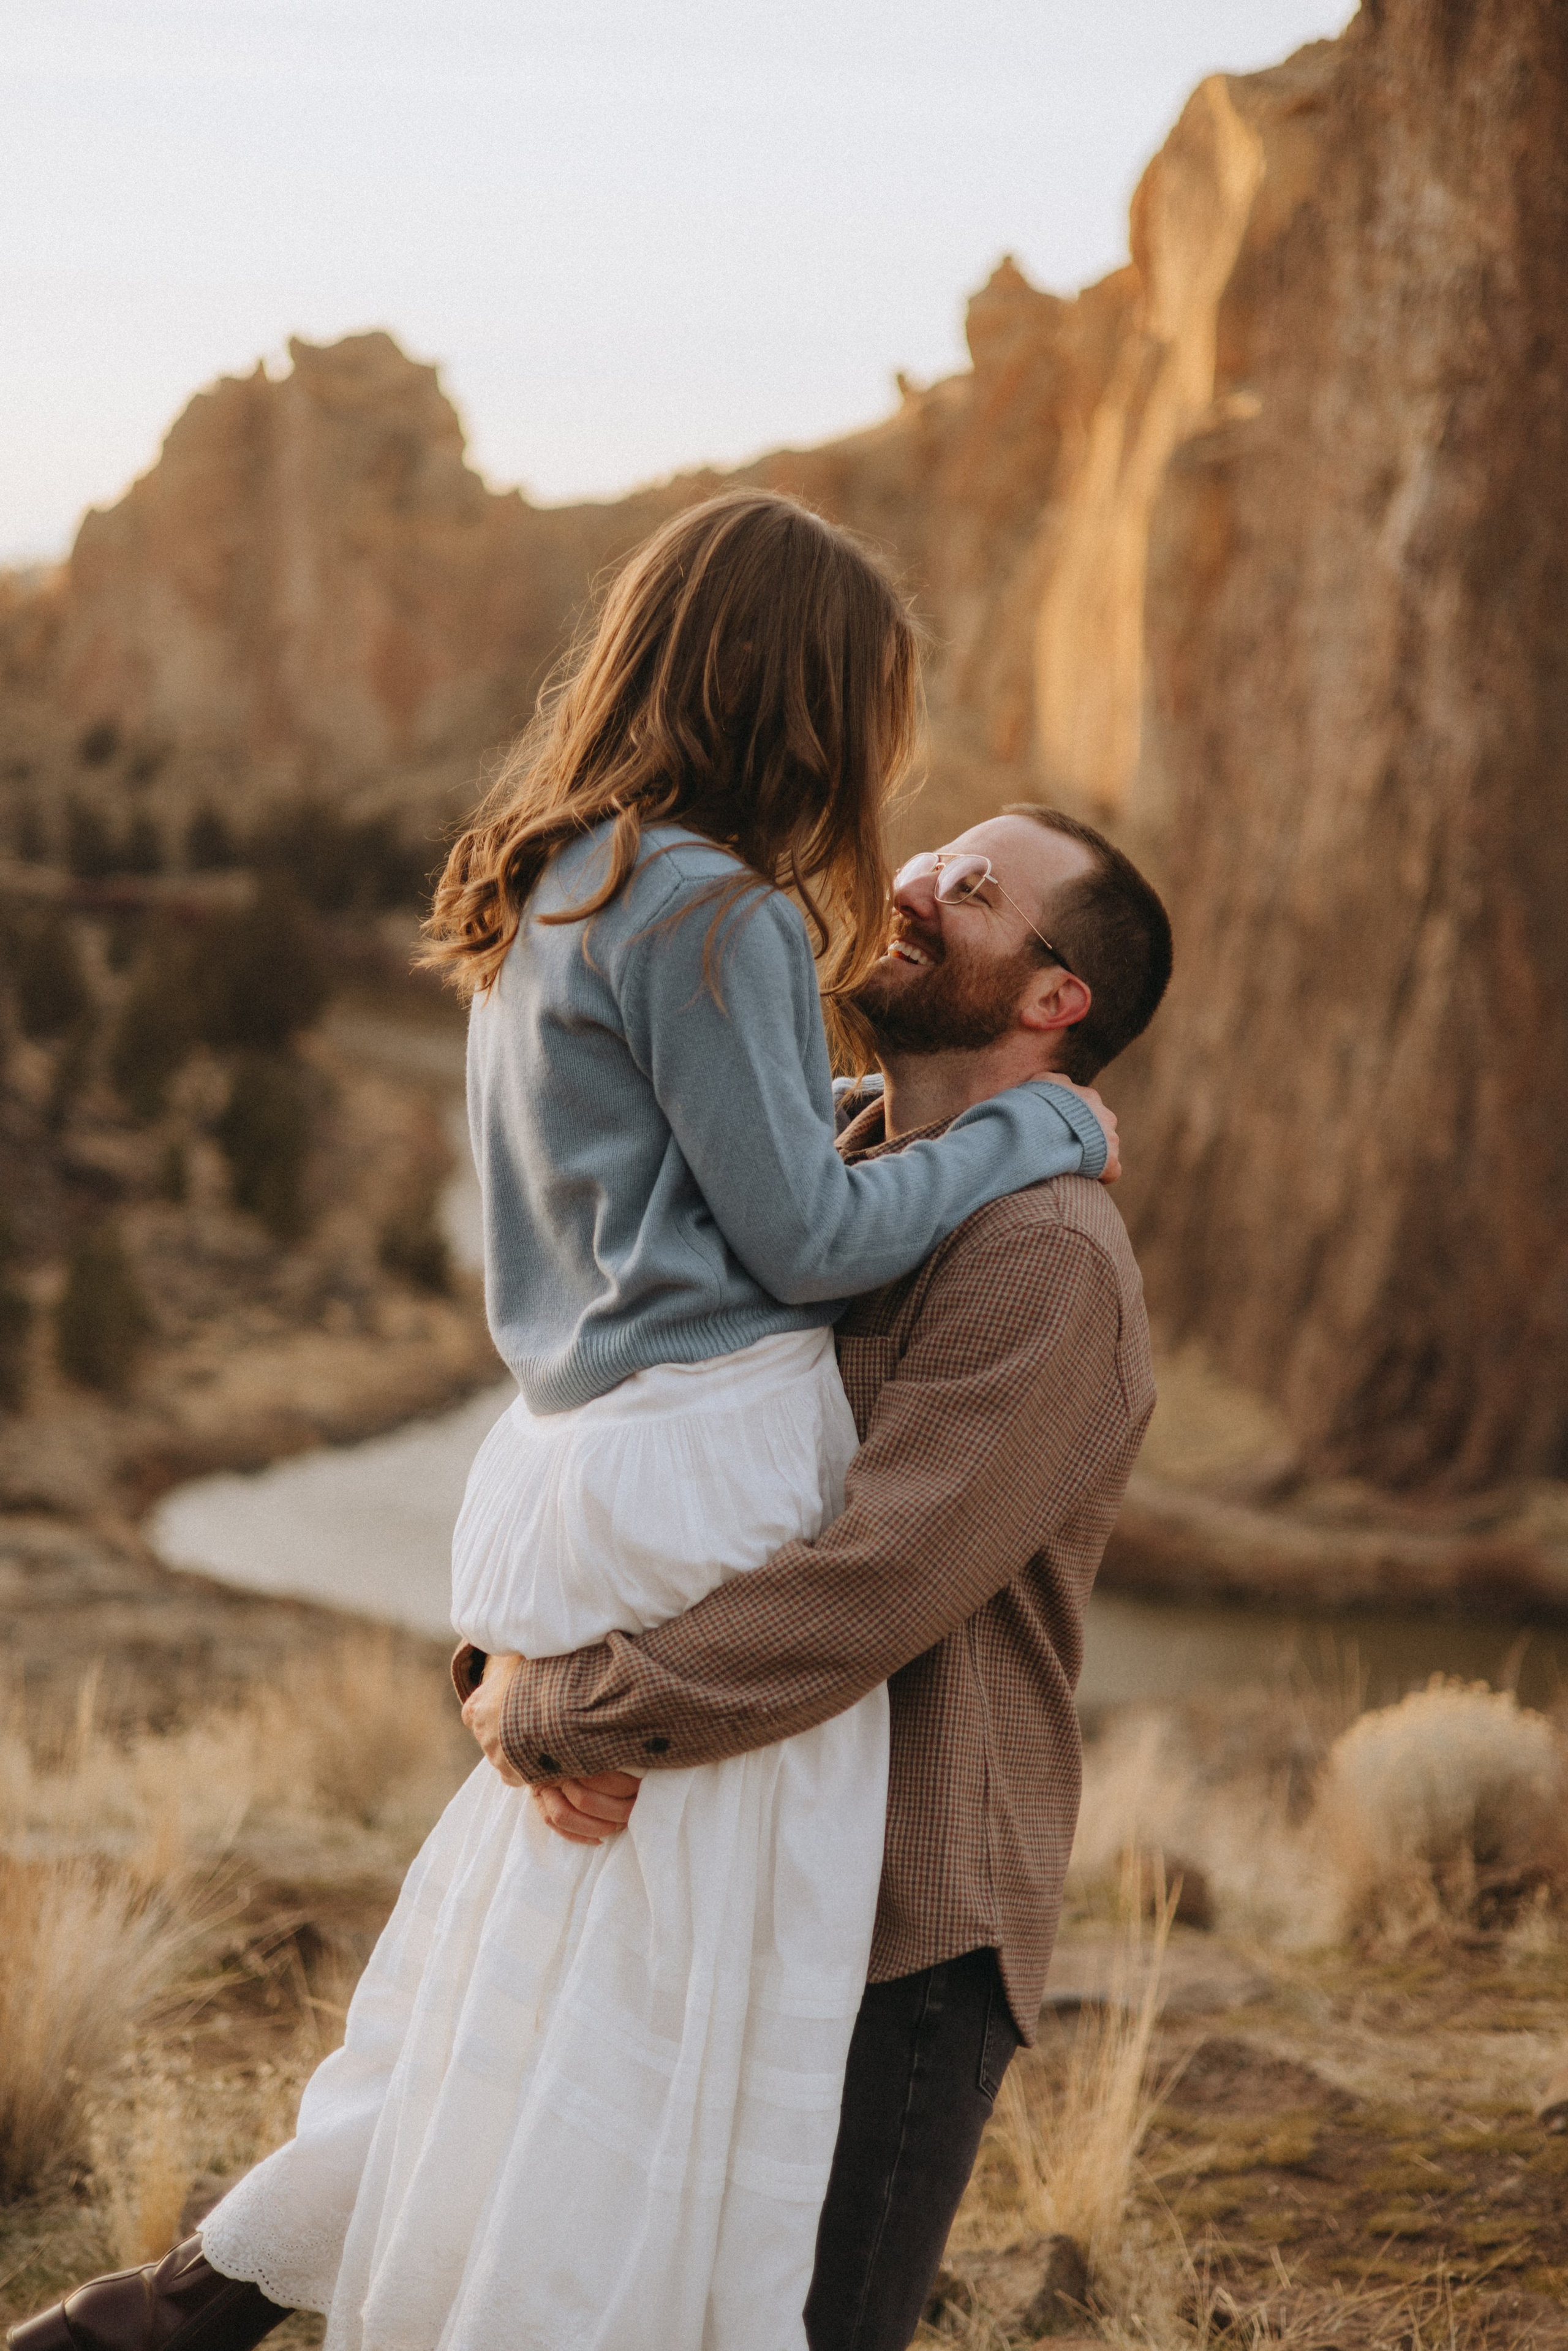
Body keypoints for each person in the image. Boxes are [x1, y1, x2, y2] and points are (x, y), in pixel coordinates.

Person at [9, 494, 1115, 2351]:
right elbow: (803, 1237)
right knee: (696, 2036)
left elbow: (719, 1169)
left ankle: (190, 2305)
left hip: (557, 1458)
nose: (904, 820)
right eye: (880, 714)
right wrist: (1038, 1122)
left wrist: (533, 1686)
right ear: (809, 697)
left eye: (974, 887)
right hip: (703, 1456)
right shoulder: (728, 912)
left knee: (531, 1972)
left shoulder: (567, 883)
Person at [459, 801, 1173, 2351]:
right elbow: (627, 1429)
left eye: (972, 891)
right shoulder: (818, 1167)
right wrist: (499, 1662)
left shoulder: (1044, 1254)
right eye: (932, 853)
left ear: (1059, 1000)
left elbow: (862, 1579)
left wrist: (561, 1701)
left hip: (900, 1928)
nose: (910, 885)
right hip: (723, 1864)